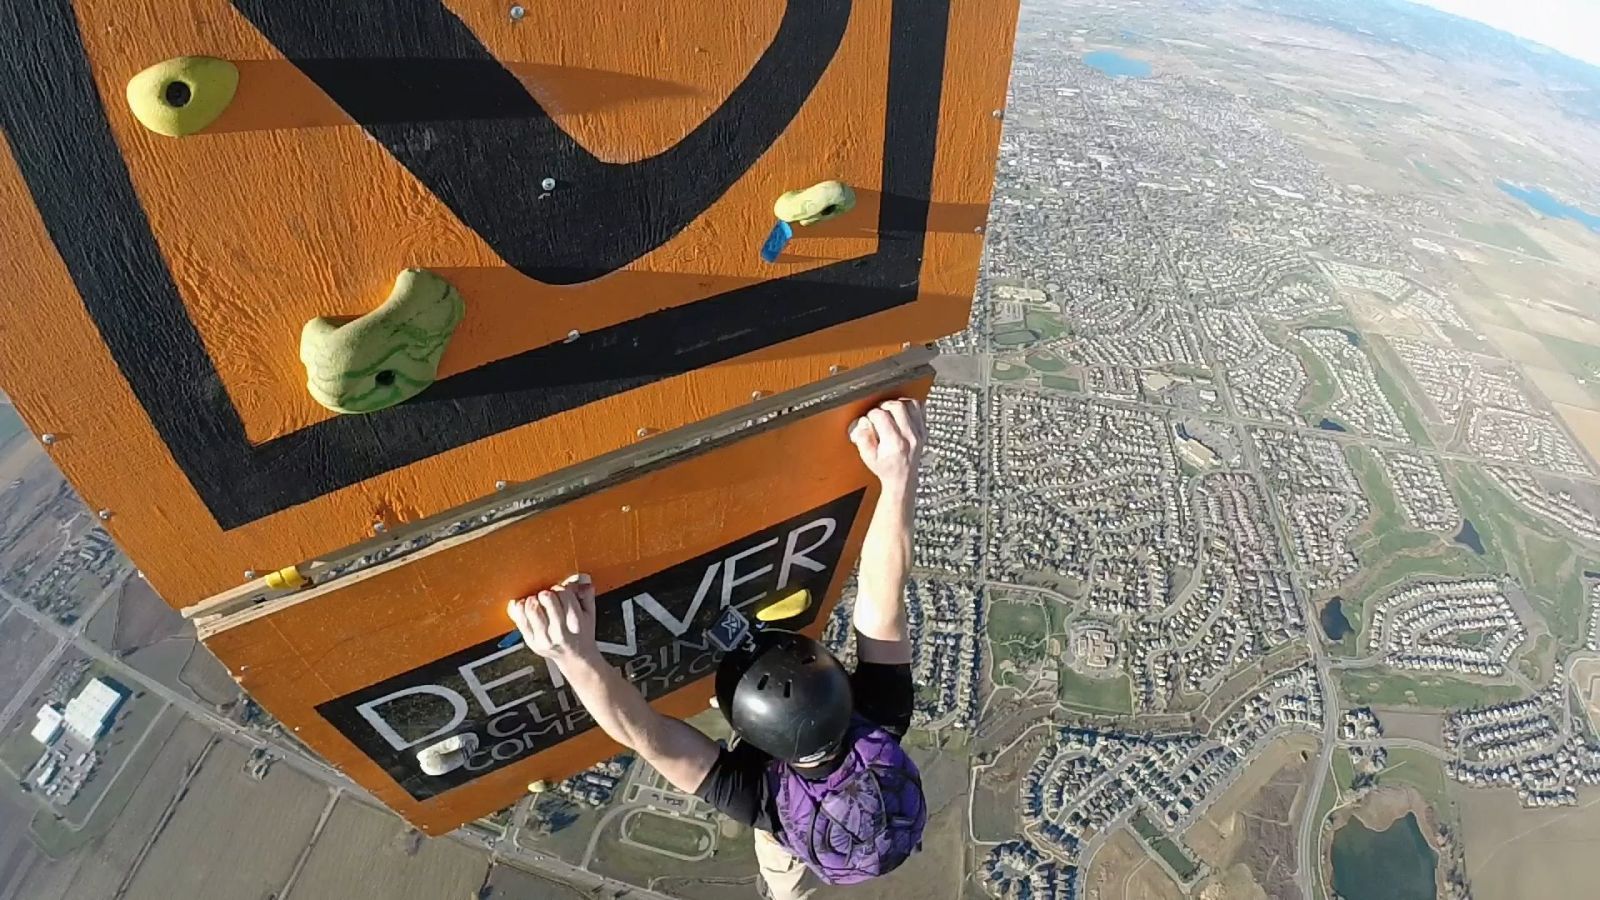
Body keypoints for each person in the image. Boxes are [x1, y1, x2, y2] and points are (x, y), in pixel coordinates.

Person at [508, 398, 929, 899]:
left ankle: (786, 892)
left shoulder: (778, 802)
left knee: (782, 862)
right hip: (826, 821)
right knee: (784, 868)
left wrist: (898, 479)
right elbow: (648, 735)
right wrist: (574, 651)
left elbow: (649, 736)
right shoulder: (855, 738)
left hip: (794, 834)